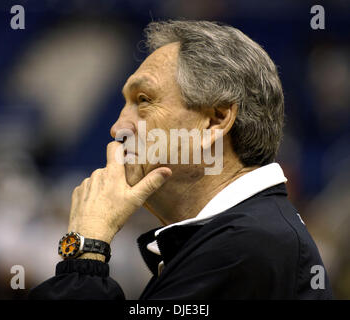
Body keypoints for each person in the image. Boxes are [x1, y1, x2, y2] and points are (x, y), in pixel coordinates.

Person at [28, 20, 332, 299]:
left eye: (143, 100)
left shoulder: (247, 248)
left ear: (216, 120)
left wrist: (87, 246)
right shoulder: (242, 236)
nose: (118, 127)